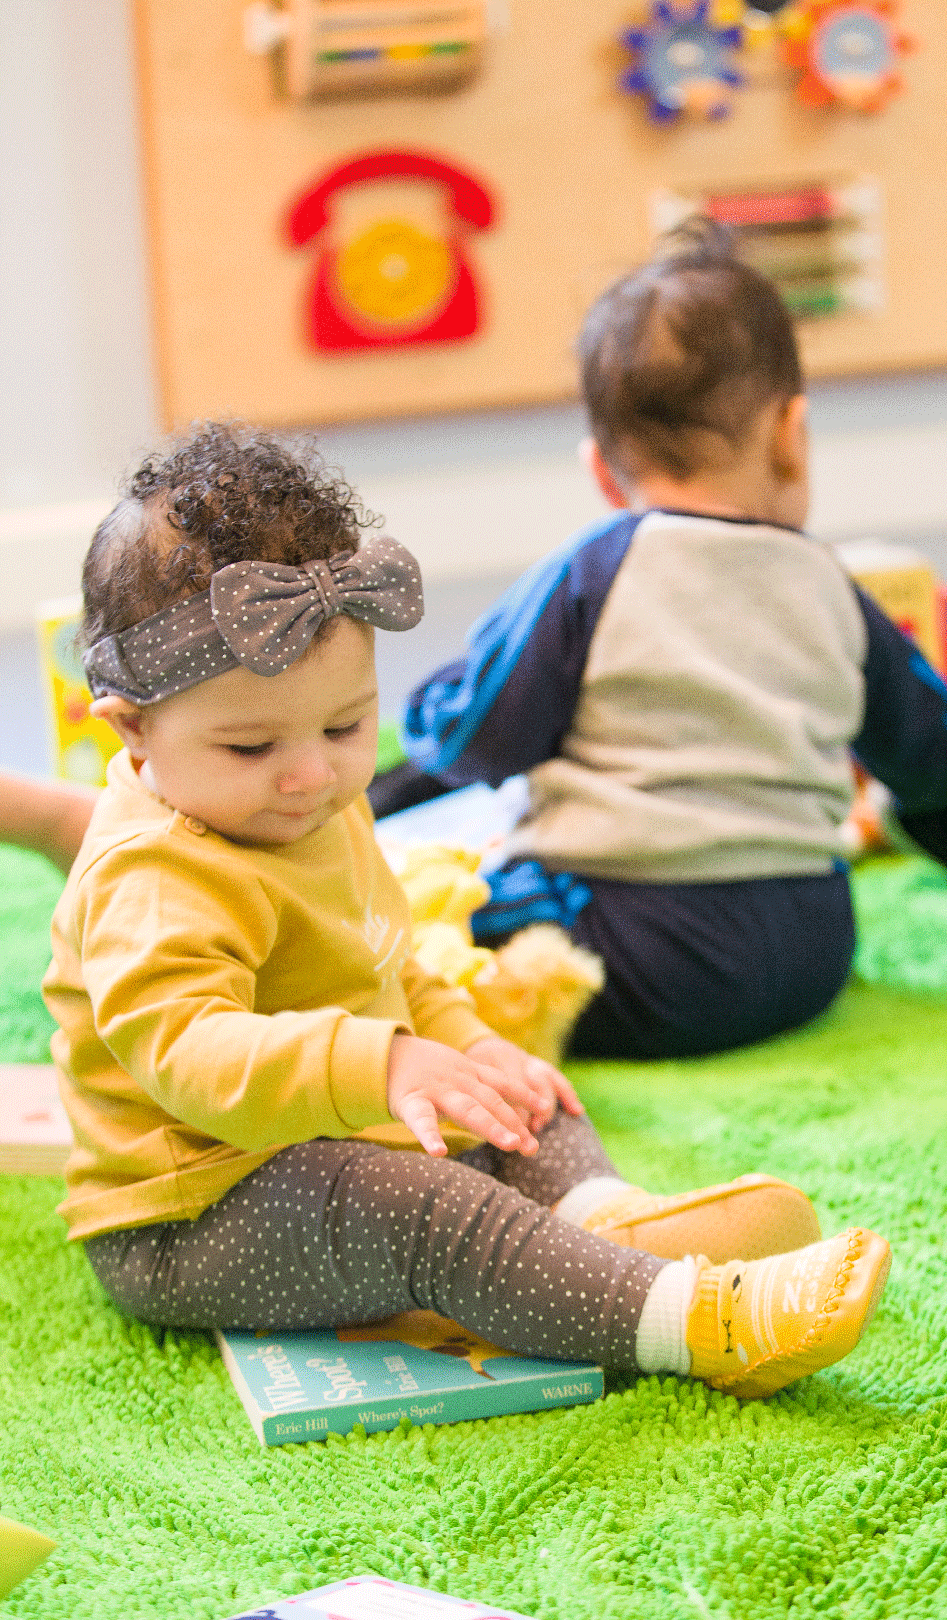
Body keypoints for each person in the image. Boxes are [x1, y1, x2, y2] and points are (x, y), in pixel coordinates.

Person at [39, 422, 891, 1400]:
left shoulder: (312, 802)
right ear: (133, 729)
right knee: (429, 1215)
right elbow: (193, 1061)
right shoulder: (152, 874)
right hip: (196, 1209)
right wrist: (384, 1062)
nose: (311, 773)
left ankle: (604, 1219)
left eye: (346, 724)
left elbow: (391, 962)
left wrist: (462, 1040)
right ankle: (692, 1322)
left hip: (339, 1123)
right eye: (249, 748)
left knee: (524, 1098)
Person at [391, 220, 947, 1061]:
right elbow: (928, 753)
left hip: (628, 953)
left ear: (601, 472)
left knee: (433, 912)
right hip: (811, 947)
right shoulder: (830, 584)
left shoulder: (596, 569)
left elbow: (481, 736)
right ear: (790, 434)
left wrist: (426, 708)